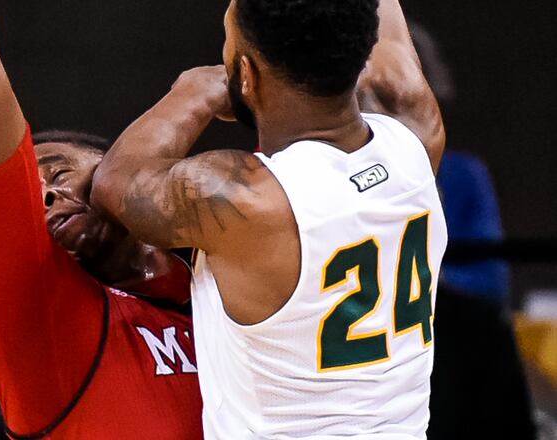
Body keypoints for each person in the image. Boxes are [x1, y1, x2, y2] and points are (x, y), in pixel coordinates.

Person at [92, 0, 447, 438]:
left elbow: (114, 182)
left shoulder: (248, 200)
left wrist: (193, 92)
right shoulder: (415, 130)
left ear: (246, 73)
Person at [0, 1, 203, 439]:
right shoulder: (44, 327)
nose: (44, 194)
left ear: (119, 166)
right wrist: (202, 90)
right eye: (30, 198)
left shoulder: (231, 269)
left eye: (59, 171)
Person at [408, 23, 538, 440]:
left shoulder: (464, 174)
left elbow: (490, 278)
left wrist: (419, 284)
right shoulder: (322, 179)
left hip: (445, 335)